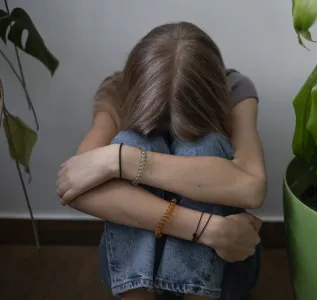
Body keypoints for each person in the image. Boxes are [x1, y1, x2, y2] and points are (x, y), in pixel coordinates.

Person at [56, 22, 267, 300]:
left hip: (220, 271)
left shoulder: (235, 90)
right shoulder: (118, 91)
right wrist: (208, 229)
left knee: (204, 145)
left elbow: (252, 187)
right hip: (145, 270)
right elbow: (72, 185)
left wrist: (120, 159)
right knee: (132, 138)